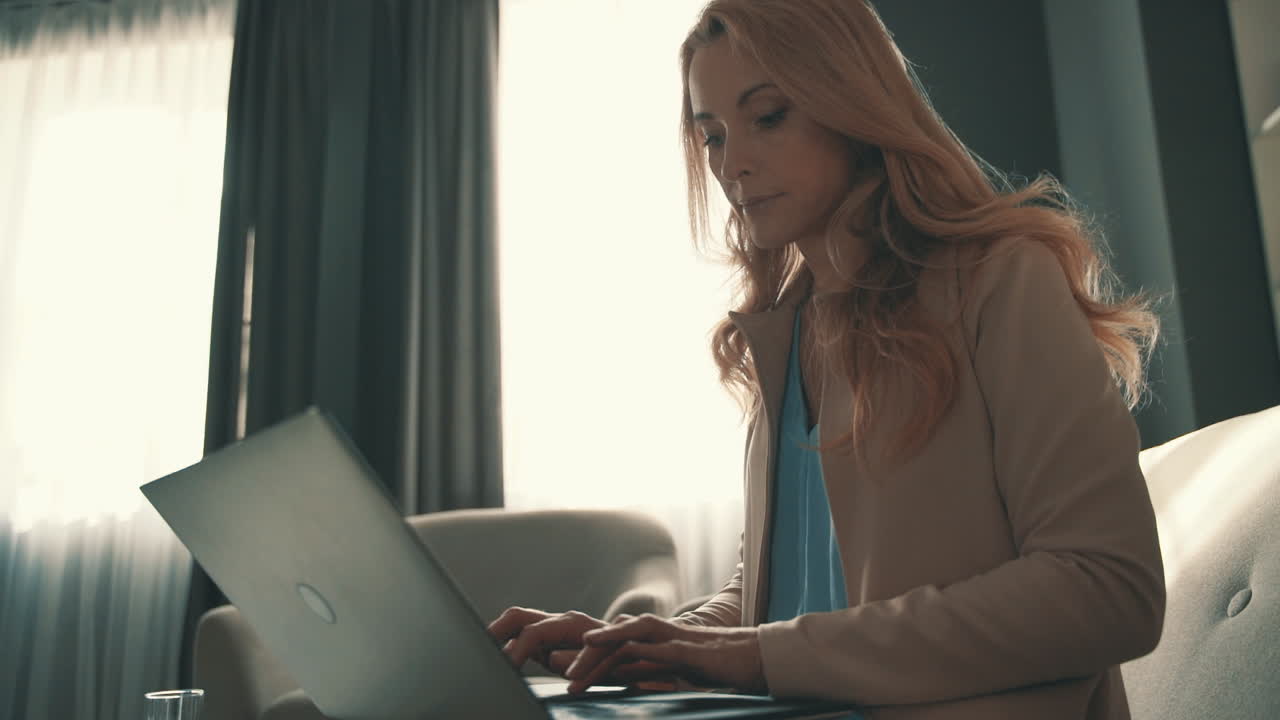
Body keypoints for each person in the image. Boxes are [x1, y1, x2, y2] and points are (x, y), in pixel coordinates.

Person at [487, 0, 1167, 717]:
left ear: (850, 103)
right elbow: (783, 604)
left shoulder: (1001, 280)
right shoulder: (791, 326)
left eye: (769, 117)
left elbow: (1108, 587)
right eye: (711, 135)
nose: (732, 164)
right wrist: (635, 645)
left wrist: (744, 656)